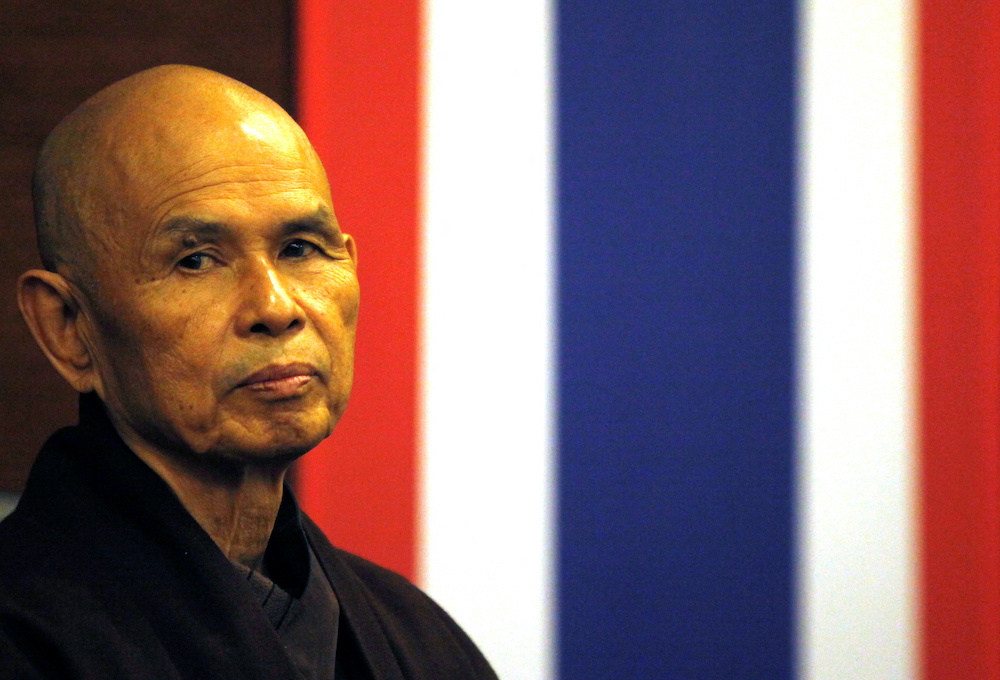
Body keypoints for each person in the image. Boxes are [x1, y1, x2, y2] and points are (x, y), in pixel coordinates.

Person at [0, 65, 497, 680]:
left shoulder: (421, 641)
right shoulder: (24, 637)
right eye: (196, 261)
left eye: (299, 249)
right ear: (69, 327)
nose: (276, 307)